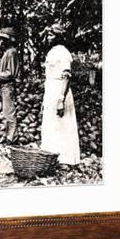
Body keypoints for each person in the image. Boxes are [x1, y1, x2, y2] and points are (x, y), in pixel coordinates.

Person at [40, 23, 80, 165]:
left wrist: (61, 99)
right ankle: (52, 156)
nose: (48, 38)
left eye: (51, 35)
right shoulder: (53, 51)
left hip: (59, 90)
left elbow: (66, 77)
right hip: (51, 89)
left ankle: (66, 159)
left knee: (62, 124)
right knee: (52, 124)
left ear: (58, 37)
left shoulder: (63, 53)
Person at [0, 27, 21, 143]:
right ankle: (10, 136)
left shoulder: (11, 52)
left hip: (8, 86)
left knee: (9, 112)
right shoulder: (7, 52)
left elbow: (10, 73)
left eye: (3, 39)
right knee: (6, 111)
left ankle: (12, 138)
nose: (1, 41)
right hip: (4, 86)